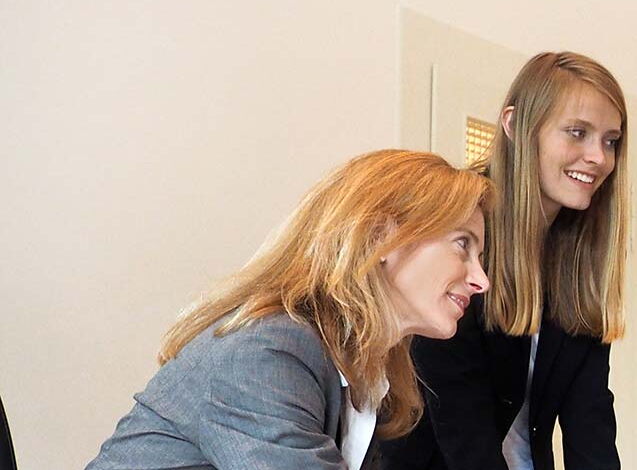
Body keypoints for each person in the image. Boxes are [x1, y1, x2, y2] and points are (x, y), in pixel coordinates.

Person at [88, 150, 494, 469]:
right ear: (381, 237)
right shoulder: (266, 352)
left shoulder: (362, 368)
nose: (481, 280)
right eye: (462, 244)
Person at [380, 51, 632, 470]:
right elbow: (460, 422)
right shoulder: (456, 238)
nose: (599, 157)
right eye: (577, 132)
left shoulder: (579, 259)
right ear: (515, 125)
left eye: (610, 141)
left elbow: (591, 424)